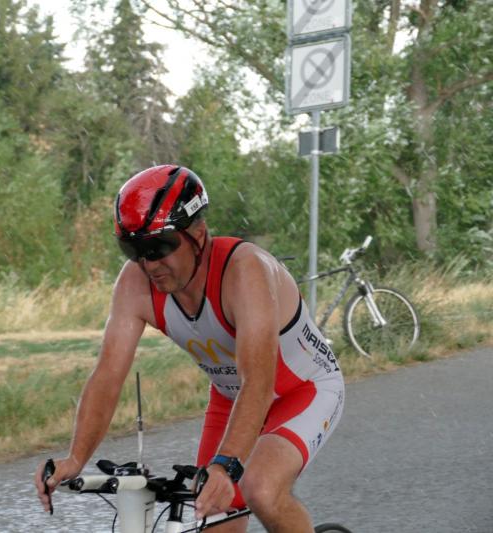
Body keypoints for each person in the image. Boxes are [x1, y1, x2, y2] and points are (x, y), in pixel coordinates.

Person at [34, 165, 345, 532]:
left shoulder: (245, 271)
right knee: (208, 513)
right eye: (134, 249)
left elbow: (259, 383)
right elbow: (108, 375)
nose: (149, 263)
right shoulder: (135, 283)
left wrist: (226, 465)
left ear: (198, 234)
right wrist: (75, 458)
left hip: (301, 390)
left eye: (159, 246)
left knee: (259, 488)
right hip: (231, 399)